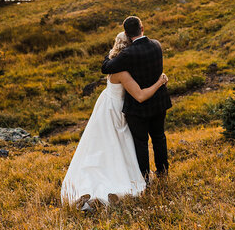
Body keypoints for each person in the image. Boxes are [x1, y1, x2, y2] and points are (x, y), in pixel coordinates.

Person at [61, 31, 168, 208]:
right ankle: (107, 189)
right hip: (117, 110)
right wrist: (160, 82)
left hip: (105, 105)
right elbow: (140, 95)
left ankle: (92, 184)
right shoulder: (123, 71)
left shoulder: (112, 63)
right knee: (118, 144)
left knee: (103, 145)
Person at [101, 16, 172, 182]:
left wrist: (111, 53)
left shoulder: (127, 54)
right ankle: (163, 173)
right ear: (142, 28)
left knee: (141, 143)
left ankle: (145, 179)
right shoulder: (156, 45)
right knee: (159, 138)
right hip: (159, 102)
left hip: (138, 109)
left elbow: (106, 68)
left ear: (126, 33)